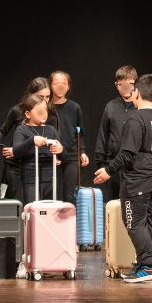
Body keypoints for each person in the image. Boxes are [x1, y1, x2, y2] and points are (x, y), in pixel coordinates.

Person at [94, 74, 152, 283]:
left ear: (137, 92)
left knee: (134, 222)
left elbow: (128, 153)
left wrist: (108, 170)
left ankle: (148, 266)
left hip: (139, 180)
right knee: (145, 221)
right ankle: (146, 262)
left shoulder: (135, 118)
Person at [94, 65, 138, 204]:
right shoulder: (111, 106)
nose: (126, 88)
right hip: (112, 166)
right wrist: (101, 164)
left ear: (135, 84)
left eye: (130, 84)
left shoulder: (141, 108)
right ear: (116, 85)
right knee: (114, 209)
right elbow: (103, 135)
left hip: (135, 168)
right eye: (121, 84)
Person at [12, 93, 64, 204]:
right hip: (31, 176)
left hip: (50, 176)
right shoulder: (22, 129)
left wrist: (60, 150)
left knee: (49, 210)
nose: (44, 113)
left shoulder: (51, 130)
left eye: (45, 110)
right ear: (28, 114)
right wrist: (32, 141)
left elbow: (63, 155)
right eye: (39, 111)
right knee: (33, 211)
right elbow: (16, 150)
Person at [49, 70, 89, 204]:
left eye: (64, 84)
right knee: (51, 195)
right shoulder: (46, 107)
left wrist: (82, 151)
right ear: (50, 85)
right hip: (51, 156)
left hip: (71, 156)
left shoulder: (74, 107)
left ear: (68, 86)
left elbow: (80, 132)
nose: (60, 87)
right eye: (57, 83)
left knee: (70, 196)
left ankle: (70, 224)